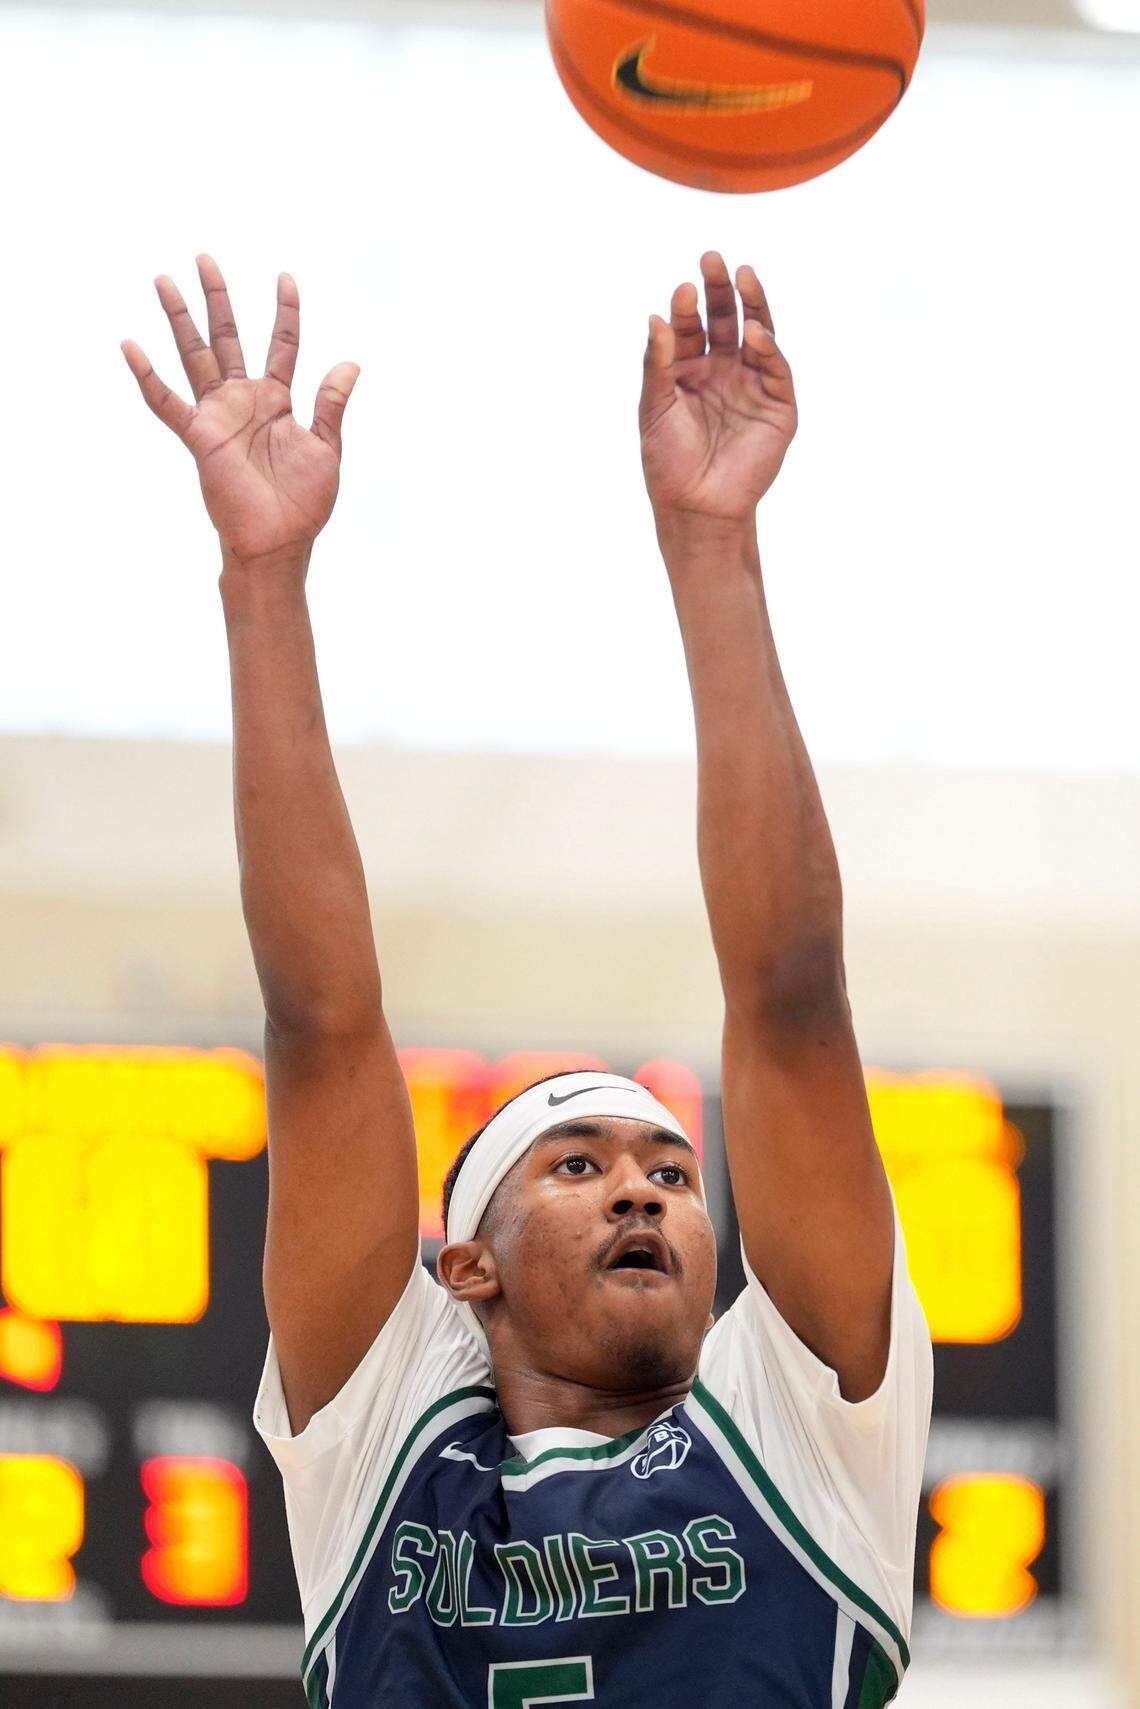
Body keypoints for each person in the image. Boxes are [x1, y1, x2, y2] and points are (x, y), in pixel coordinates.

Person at [122, 252, 933, 1708]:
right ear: (464, 1268)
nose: (644, 1191)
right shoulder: (389, 1438)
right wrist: (262, 579)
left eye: (675, 1174)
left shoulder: (800, 1427)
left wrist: (712, 546)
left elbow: (792, 997)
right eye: (579, 1163)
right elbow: (321, 1026)